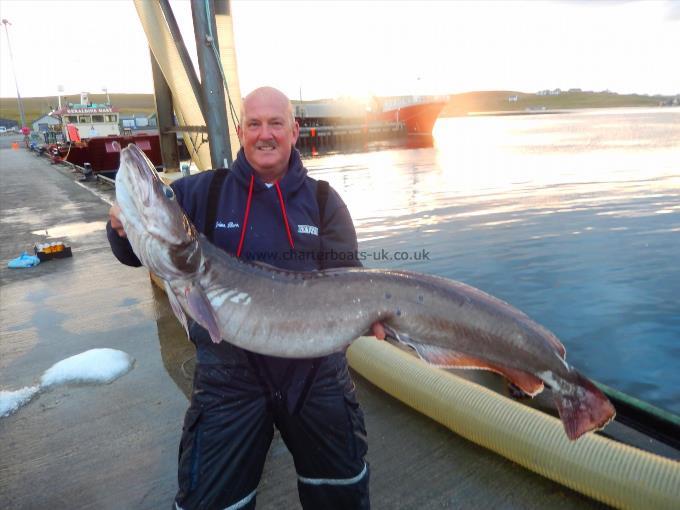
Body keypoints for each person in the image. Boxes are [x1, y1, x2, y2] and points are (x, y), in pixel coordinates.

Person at [107, 86, 384, 509]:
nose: (265, 134)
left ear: (294, 130)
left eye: (275, 123)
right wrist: (121, 227)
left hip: (316, 377)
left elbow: (348, 275)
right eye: (254, 124)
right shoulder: (200, 193)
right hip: (228, 379)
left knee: (341, 495)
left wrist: (373, 311)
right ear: (240, 131)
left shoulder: (324, 201)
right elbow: (136, 252)